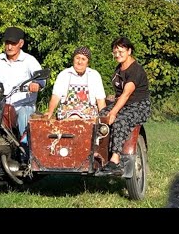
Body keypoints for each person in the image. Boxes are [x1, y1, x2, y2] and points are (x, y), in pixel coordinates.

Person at [96, 37, 151, 176]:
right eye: (115, 52)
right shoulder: (119, 68)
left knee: (120, 121)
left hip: (138, 106)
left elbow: (126, 94)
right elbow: (120, 95)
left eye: (121, 51)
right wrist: (111, 104)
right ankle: (97, 153)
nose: (117, 54)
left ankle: (115, 161)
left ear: (129, 51)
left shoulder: (135, 70)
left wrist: (114, 112)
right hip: (123, 103)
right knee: (100, 116)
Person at [46, 46, 106, 121]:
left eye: (83, 59)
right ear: (73, 59)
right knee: (73, 118)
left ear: (88, 63)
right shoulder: (64, 74)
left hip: (89, 113)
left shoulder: (94, 75)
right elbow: (55, 97)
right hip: (67, 112)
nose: (80, 62)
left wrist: (103, 120)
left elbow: (101, 101)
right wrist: (49, 113)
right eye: (77, 58)